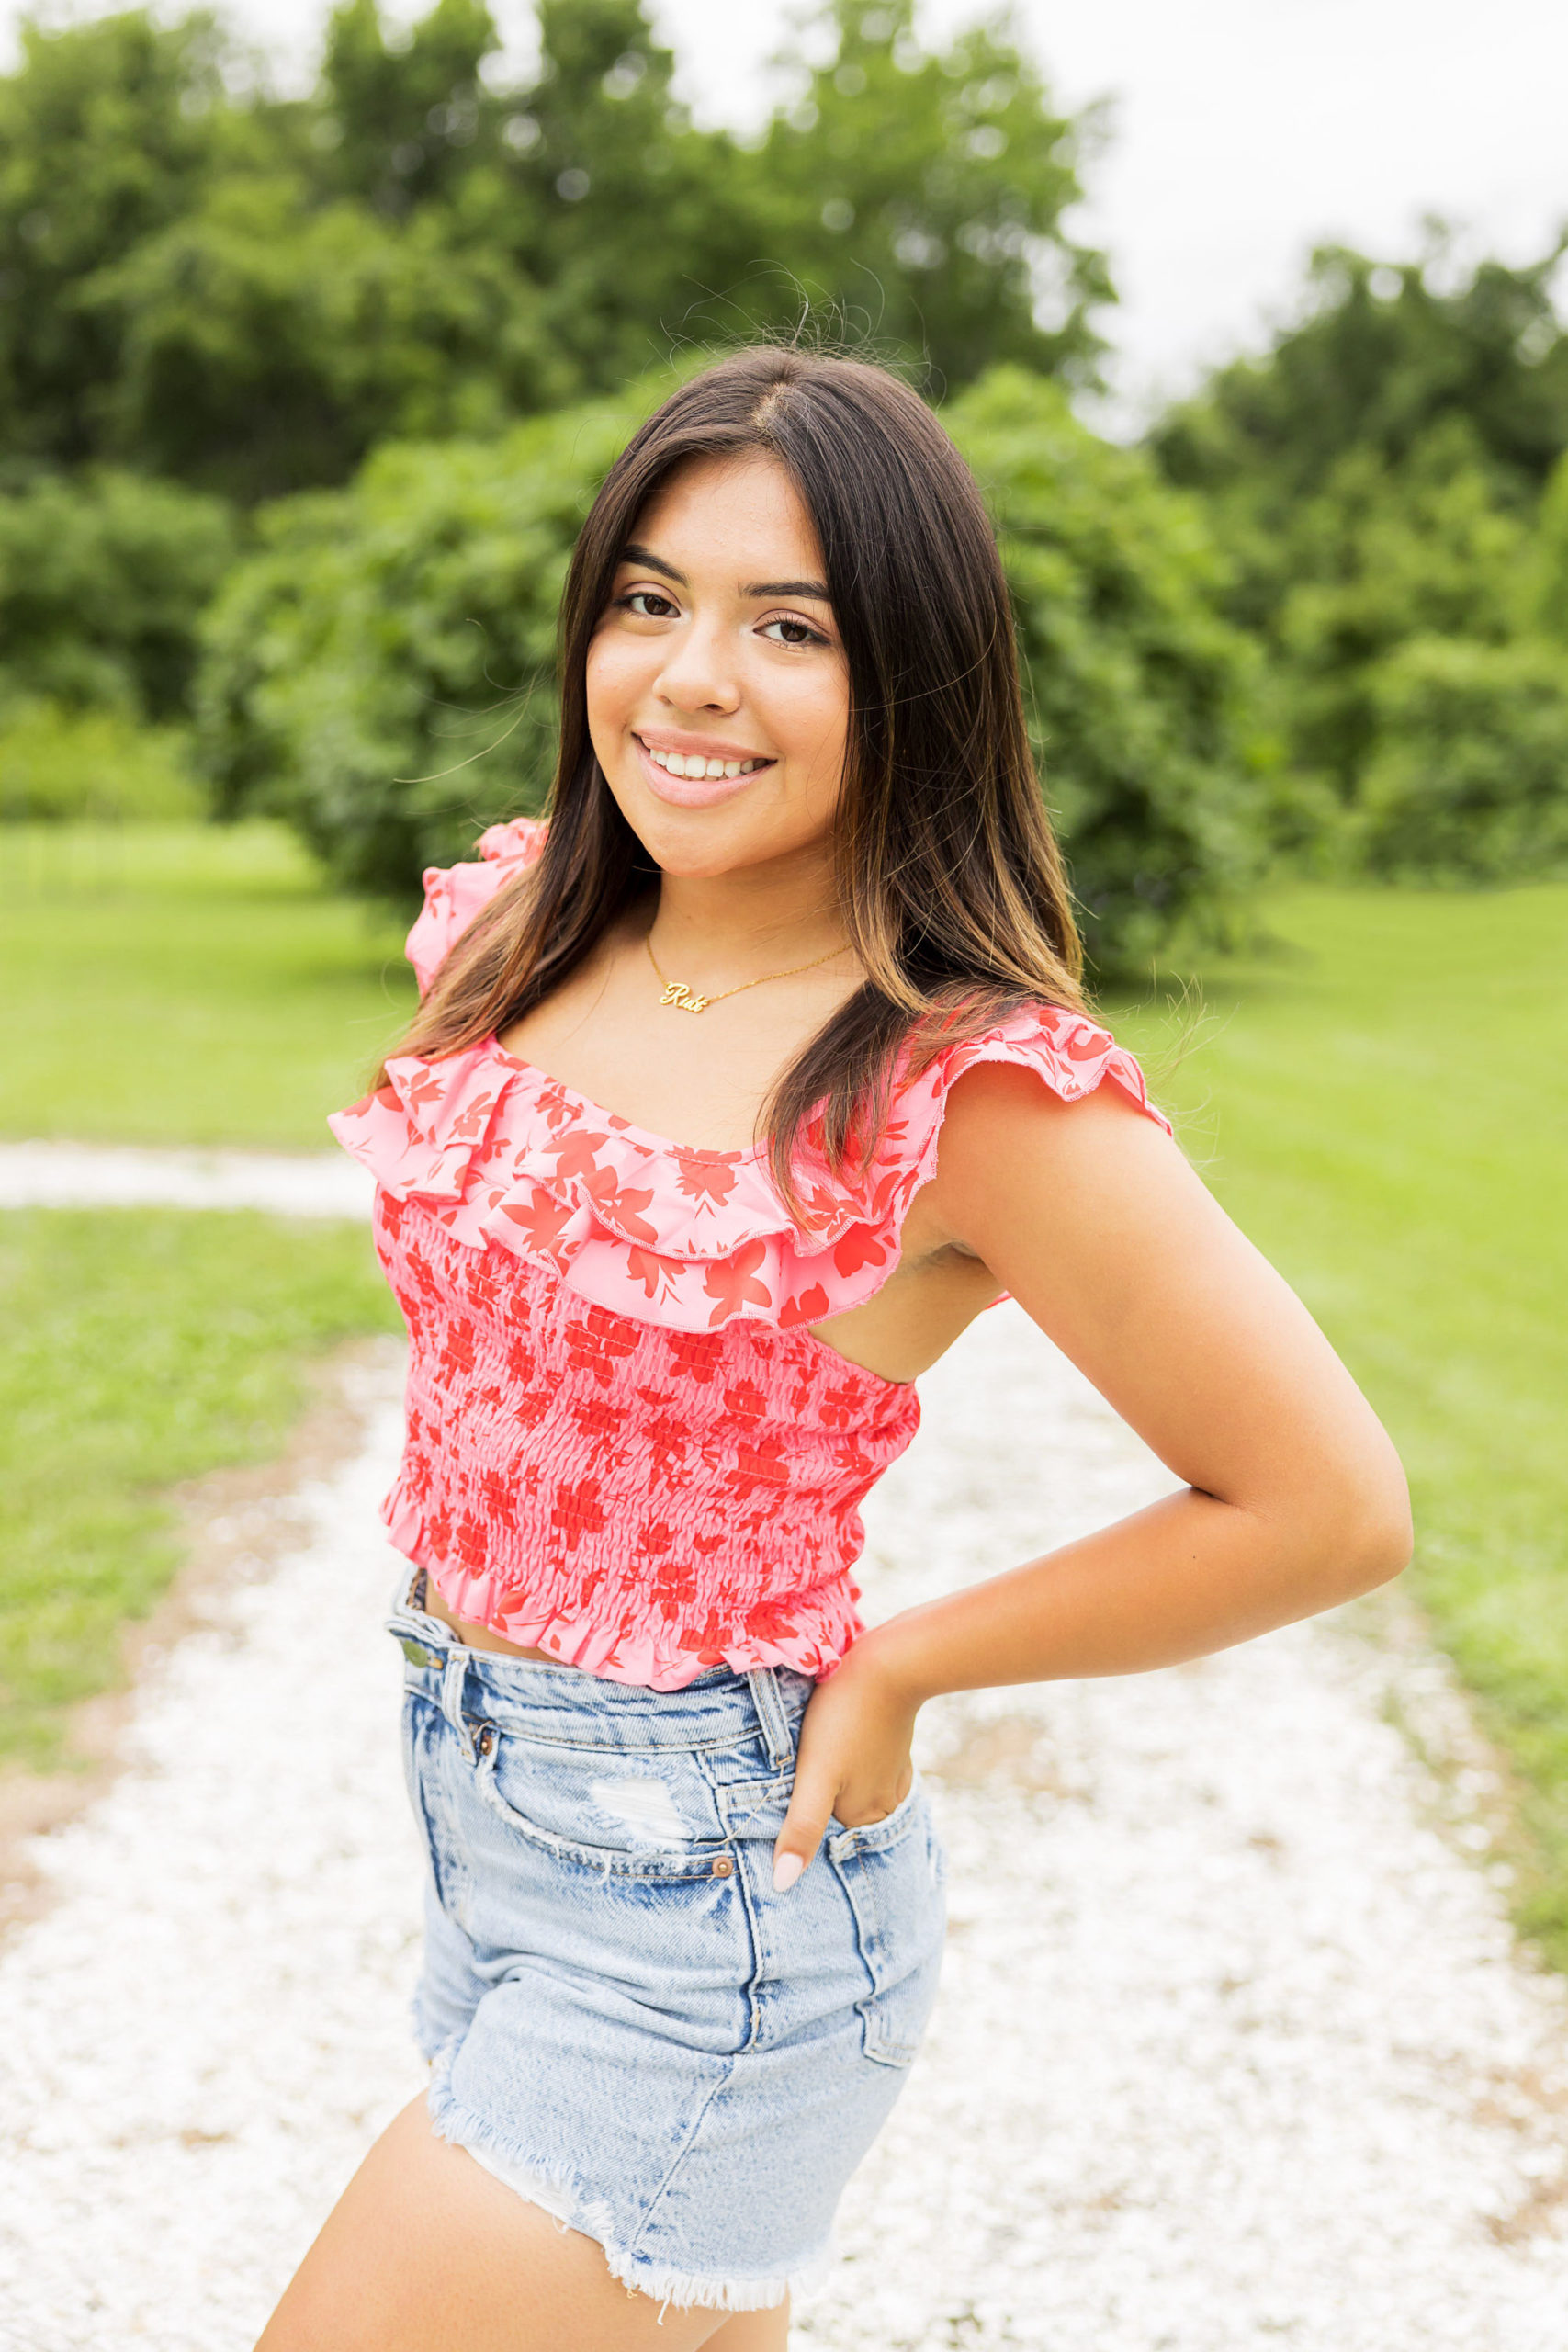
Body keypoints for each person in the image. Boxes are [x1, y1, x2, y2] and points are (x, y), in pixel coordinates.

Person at [258, 347, 1411, 2351]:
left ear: (912, 677)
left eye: (785, 625)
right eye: (647, 597)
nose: (691, 676)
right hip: (480, 1849)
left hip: (707, 1914)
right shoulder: (507, 930)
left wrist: (902, 1657)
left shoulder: (961, 1088)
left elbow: (1324, 1505)